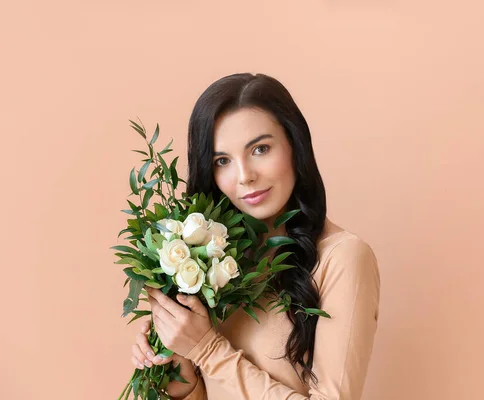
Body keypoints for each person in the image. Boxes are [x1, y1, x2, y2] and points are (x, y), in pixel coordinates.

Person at [129, 73, 381, 399]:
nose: (245, 176)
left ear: (295, 146)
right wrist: (177, 363)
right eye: (223, 160)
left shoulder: (343, 257)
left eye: (260, 149)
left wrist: (207, 349)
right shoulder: (214, 258)